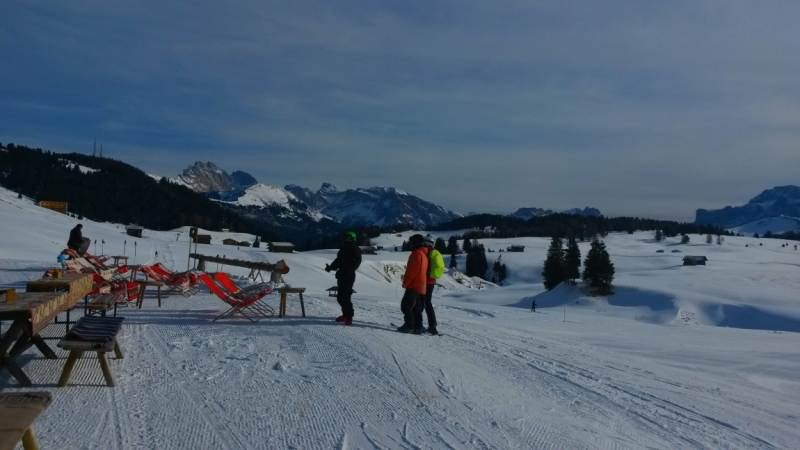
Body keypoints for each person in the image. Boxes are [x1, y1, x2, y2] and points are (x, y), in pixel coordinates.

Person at [325, 231, 362, 326]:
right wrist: (331, 267)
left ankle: (349, 316)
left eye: (349, 238)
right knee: (340, 297)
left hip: (349, 276)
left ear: (353, 240)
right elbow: (338, 261)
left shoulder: (356, 251)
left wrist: (346, 270)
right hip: (341, 276)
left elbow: (355, 264)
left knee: (345, 297)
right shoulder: (343, 250)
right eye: (345, 238)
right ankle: (345, 315)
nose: (346, 240)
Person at [397, 234, 429, 334]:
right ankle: (418, 326)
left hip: (414, 285)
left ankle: (409, 325)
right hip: (421, 285)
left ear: (416, 243)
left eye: (412, 242)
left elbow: (412, 271)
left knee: (406, 306)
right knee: (416, 307)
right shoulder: (424, 254)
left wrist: (406, 282)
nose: (410, 244)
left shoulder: (416, 254)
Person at [422, 235, 444, 335]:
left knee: (420, 303)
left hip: (425, 281)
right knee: (428, 303)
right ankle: (432, 325)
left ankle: (417, 324)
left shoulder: (427, 253)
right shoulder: (435, 252)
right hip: (432, 281)